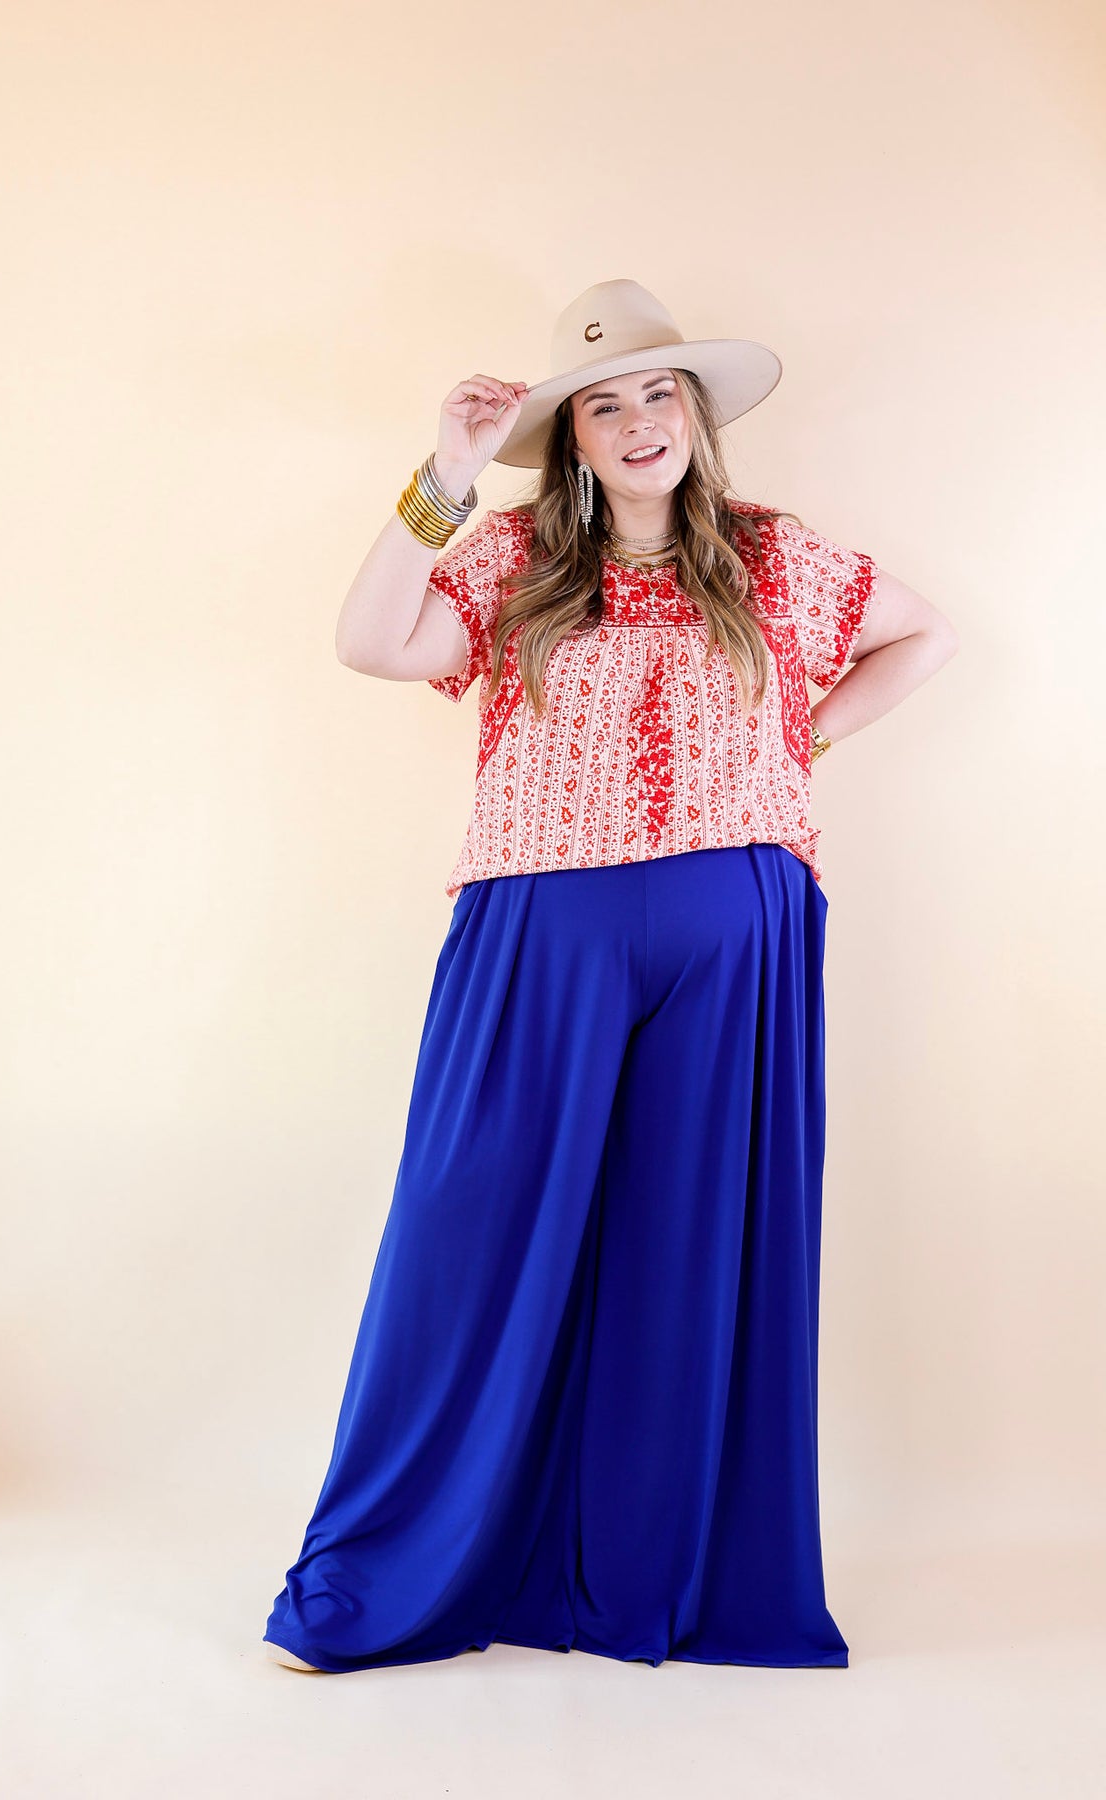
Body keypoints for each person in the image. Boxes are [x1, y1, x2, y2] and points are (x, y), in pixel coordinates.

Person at [262, 279, 959, 1676]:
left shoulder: (778, 558)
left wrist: (794, 746)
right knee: (470, 1230)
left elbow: (924, 636)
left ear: (695, 415)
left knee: (685, 1249)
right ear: (571, 438)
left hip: (739, 934)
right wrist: (444, 479)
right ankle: (397, 1576)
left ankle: (655, 1575)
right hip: (537, 930)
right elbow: (370, 642)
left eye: (659, 394)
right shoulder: (516, 560)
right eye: (603, 405)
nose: (639, 422)